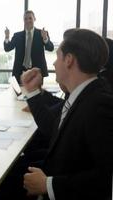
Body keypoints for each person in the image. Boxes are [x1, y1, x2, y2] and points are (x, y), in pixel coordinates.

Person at [23, 29, 113, 200]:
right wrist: (33, 91)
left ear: (69, 60)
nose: (55, 64)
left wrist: (48, 185)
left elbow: (107, 177)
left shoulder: (100, 104)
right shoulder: (83, 94)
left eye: (58, 57)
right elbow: (55, 131)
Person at [4, 10, 54, 84]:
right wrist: (7, 37)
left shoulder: (42, 34)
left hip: (37, 72)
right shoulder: (17, 35)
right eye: (25, 19)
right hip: (20, 72)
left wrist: (45, 38)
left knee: (37, 95)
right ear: (23, 20)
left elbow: (51, 48)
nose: (28, 20)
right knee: (20, 94)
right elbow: (7, 48)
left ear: (34, 19)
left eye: (30, 18)